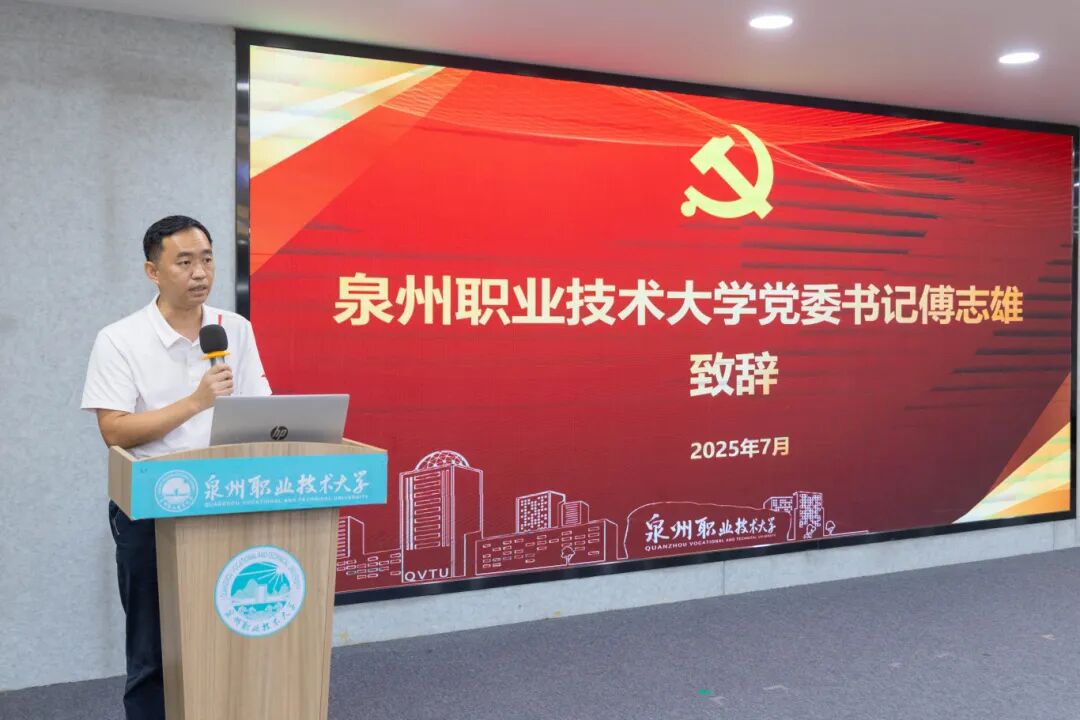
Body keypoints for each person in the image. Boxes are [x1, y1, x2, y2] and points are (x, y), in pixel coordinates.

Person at [81, 215, 272, 720]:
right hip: (155, 505)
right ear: (153, 271)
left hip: (231, 497)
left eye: (206, 259)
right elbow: (114, 430)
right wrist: (195, 402)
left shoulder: (233, 330)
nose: (200, 272)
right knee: (155, 647)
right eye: (184, 262)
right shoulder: (120, 339)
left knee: (231, 631)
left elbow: (261, 408)